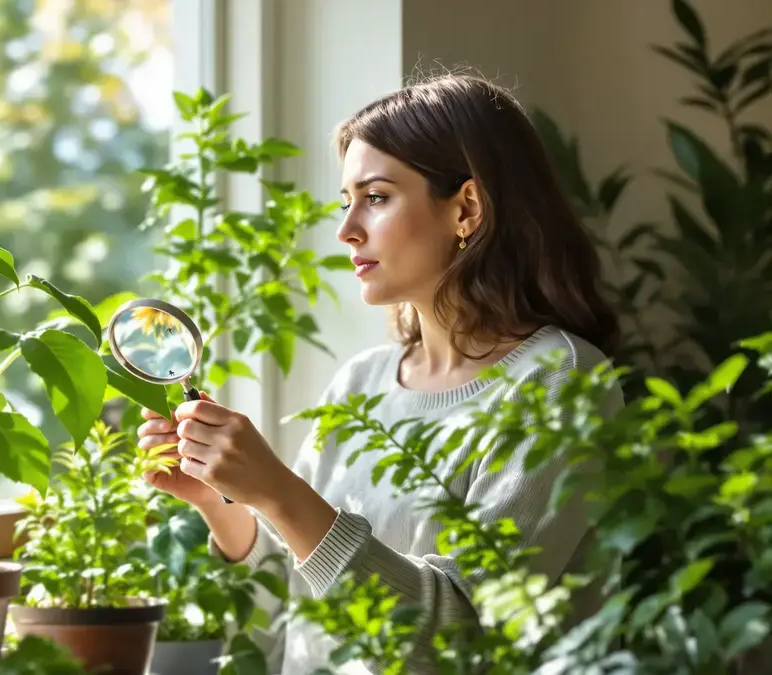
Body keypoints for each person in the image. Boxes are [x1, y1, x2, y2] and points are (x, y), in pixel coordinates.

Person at [137, 74, 623, 675]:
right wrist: (222, 502)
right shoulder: (361, 382)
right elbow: (296, 603)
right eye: (347, 202)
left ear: (466, 207)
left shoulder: (559, 383)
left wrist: (282, 493)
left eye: (377, 197)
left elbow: (463, 642)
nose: (346, 230)